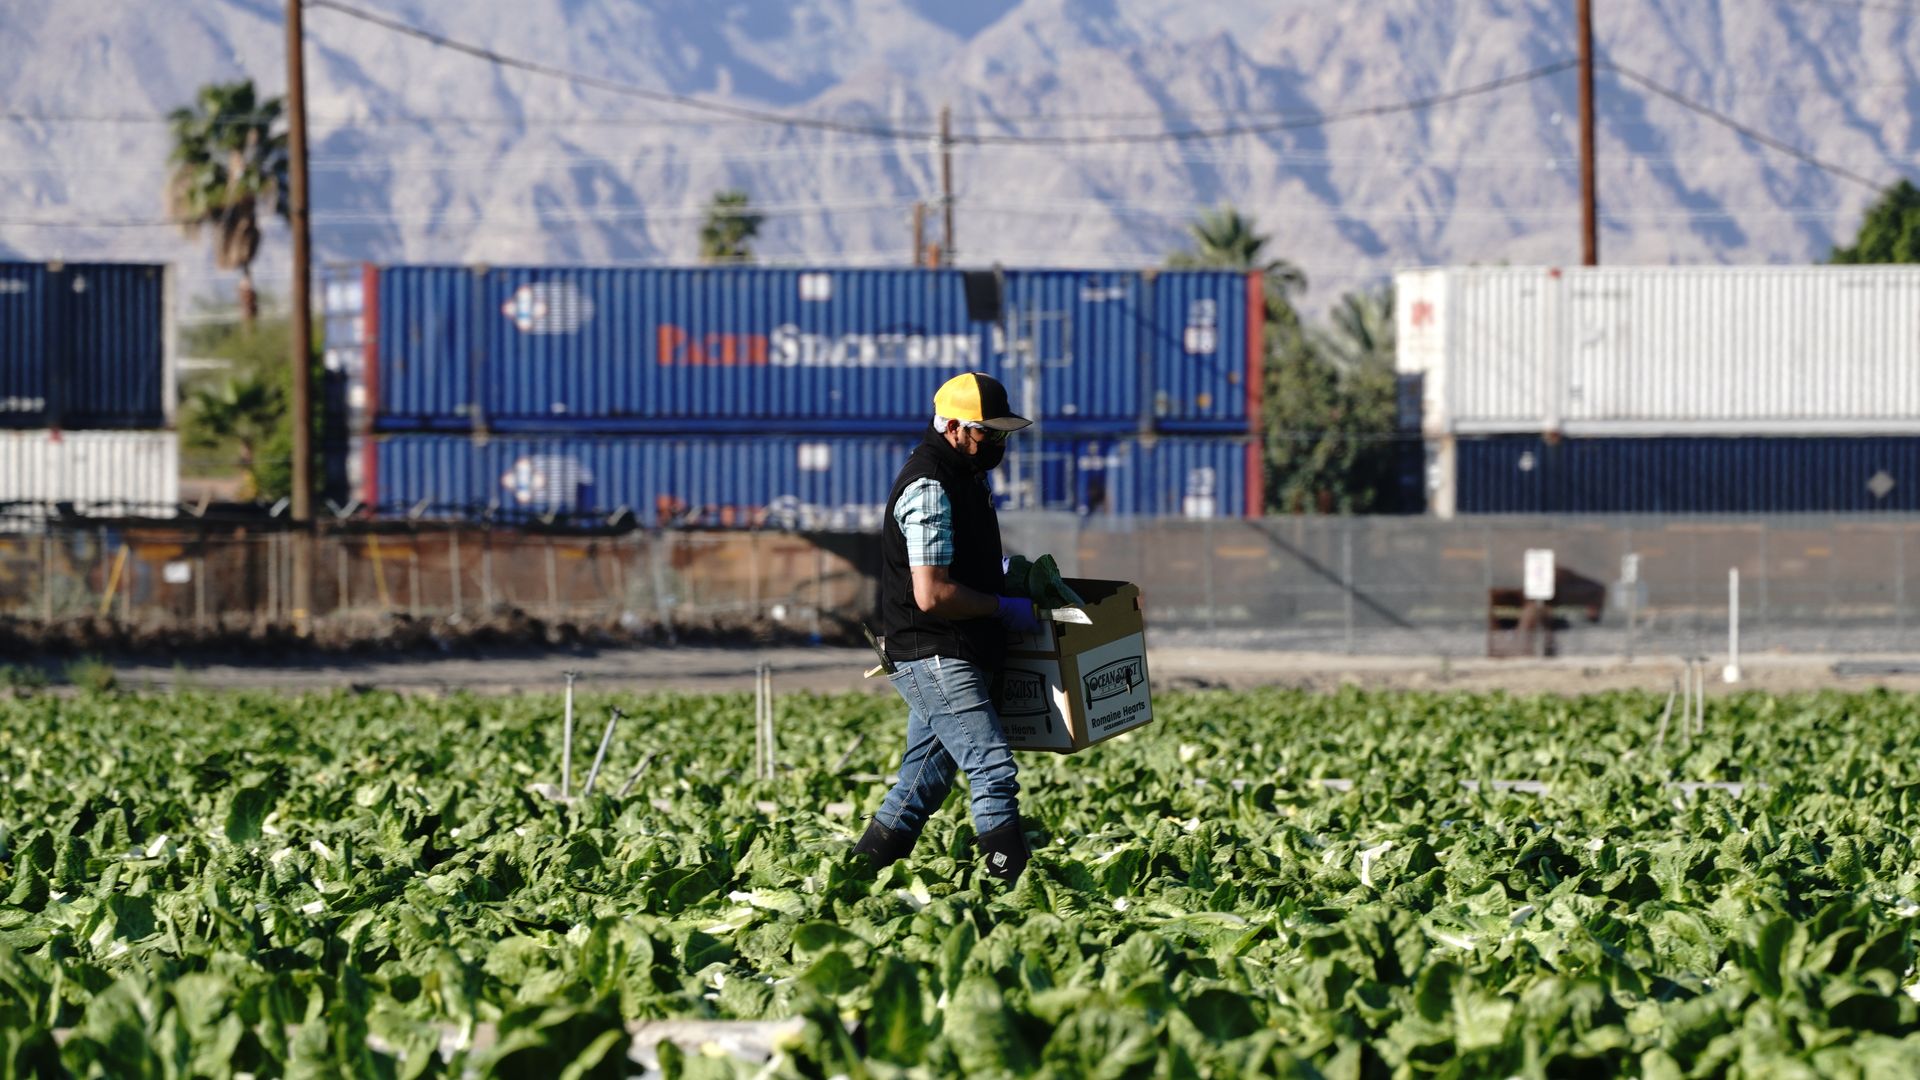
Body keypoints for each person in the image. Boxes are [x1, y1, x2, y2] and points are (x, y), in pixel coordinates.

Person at [852, 371, 1041, 885]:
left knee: (923, 782)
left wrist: (1002, 580)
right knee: (992, 770)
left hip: (952, 648)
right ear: (955, 428)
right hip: (934, 652)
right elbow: (931, 594)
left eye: (1003, 434)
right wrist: (1001, 608)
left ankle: (856, 880)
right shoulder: (930, 484)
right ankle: (1013, 892)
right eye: (990, 433)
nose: (998, 444)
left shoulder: (963, 474)